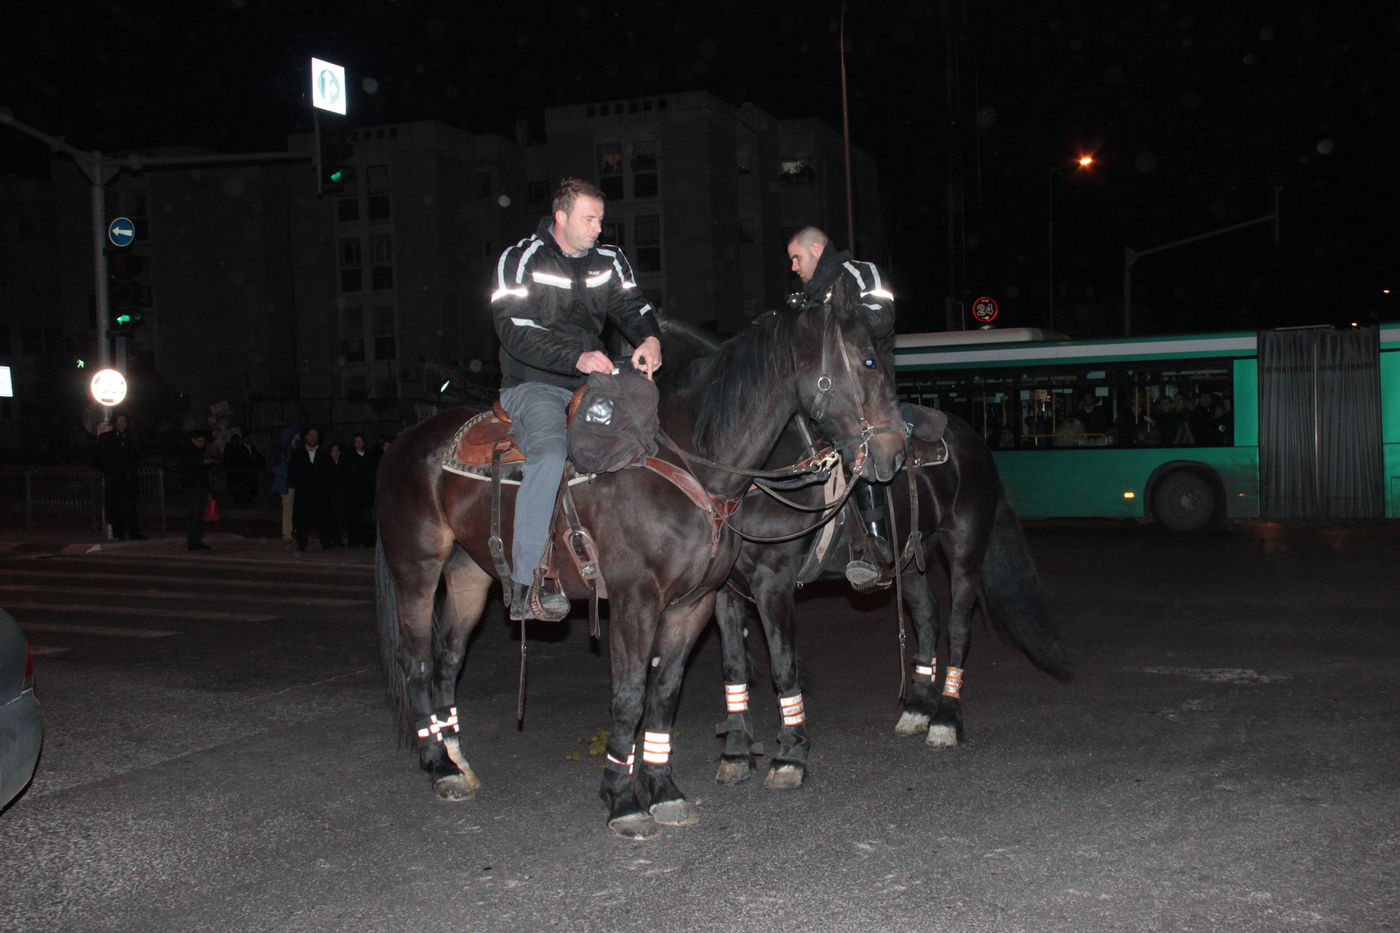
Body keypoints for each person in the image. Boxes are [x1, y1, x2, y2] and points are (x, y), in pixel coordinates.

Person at [490, 177, 662, 620]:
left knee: (642, 440)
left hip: (593, 381)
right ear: (561, 217)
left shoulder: (609, 259)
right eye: (589, 219)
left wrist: (649, 338)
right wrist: (575, 357)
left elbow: (633, 306)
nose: (598, 228)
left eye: (601, 219)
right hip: (535, 382)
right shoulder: (521, 258)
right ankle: (525, 583)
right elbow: (513, 329)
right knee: (550, 455)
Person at [785, 226, 896, 591]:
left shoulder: (861, 272)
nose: (793, 267)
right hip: (823, 390)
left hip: (865, 386)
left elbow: (882, 318)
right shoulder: (808, 294)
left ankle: (876, 544)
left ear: (817, 248)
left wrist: (838, 309)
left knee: (857, 444)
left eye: (797, 257)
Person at [93, 412, 146, 540]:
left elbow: (137, 455)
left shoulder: (131, 437)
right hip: (115, 479)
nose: (122, 424)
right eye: (119, 421)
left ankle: (134, 532)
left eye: (124, 421)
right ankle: (119, 532)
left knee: (130, 506)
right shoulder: (106, 438)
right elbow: (96, 457)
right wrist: (108, 470)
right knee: (116, 506)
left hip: (129, 479)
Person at [289, 425, 335, 550]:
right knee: (302, 520)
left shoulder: (324, 454)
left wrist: (324, 488)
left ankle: (326, 542)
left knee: (323, 519)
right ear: (306, 437)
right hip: (303, 495)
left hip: (320, 494)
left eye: (315, 436)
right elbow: (292, 473)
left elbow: (330, 474)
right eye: (311, 435)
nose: (313, 438)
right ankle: (301, 543)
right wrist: (301, 484)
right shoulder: (297, 454)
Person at [180, 431, 217, 551]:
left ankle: (198, 540)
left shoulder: (198, 452)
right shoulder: (188, 451)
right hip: (193, 487)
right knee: (194, 514)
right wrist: (204, 462)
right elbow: (192, 466)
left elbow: (201, 469)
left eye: (203, 442)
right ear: (193, 440)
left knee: (200, 514)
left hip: (200, 486)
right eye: (200, 441)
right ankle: (193, 542)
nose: (202, 444)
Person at [344, 433, 377, 547]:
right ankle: (355, 541)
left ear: (364, 443)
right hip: (354, 492)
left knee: (367, 517)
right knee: (355, 517)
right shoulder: (349, 456)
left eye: (360, 441)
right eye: (356, 441)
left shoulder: (370, 455)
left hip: (367, 492)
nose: (358, 443)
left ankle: (368, 540)